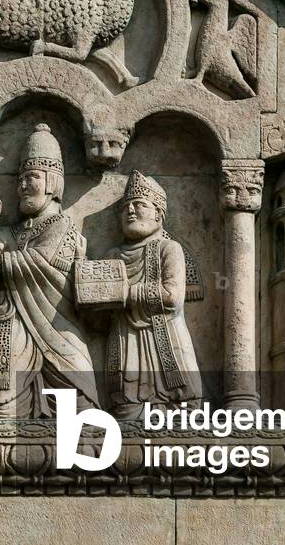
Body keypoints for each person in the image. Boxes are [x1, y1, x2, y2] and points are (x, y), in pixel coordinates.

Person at [0, 123, 99, 418]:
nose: (22, 186)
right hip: (12, 329)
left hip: (58, 328)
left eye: (32, 177)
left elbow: (43, 263)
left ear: (53, 183)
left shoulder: (64, 228)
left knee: (79, 406)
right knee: (3, 406)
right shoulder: (13, 232)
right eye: (19, 179)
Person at [105, 171, 202, 419]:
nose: (131, 211)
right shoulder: (113, 254)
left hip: (166, 337)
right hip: (125, 340)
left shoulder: (169, 248)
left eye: (140, 205)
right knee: (126, 408)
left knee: (182, 410)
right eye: (125, 207)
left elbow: (172, 295)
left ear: (159, 214)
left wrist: (126, 293)